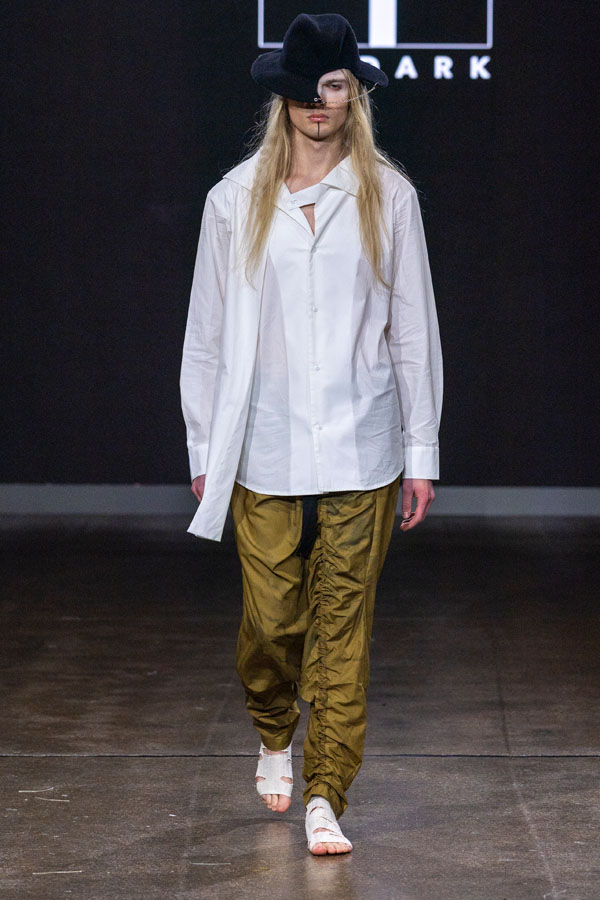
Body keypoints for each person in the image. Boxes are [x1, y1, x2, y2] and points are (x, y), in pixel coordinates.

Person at [179, 12, 443, 855]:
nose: (318, 102)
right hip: (263, 445)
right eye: (304, 88)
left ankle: (327, 794)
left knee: (341, 632)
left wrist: (421, 452)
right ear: (283, 97)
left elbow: (413, 331)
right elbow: (206, 334)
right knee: (271, 627)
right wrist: (202, 448)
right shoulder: (233, 200)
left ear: (354, 93)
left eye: (333, 86)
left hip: (363, 444)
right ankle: (272, 730)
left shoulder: (389, 197)